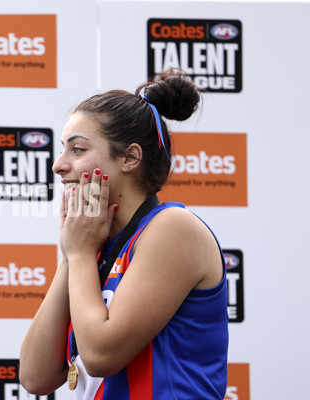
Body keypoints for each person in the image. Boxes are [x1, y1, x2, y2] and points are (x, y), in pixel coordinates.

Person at [19, 68, 228, 399]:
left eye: (77, 149)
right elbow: (35, 377)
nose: (58, 165)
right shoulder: (94, 249)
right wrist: (71, 256)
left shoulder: (173, 228)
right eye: (63, 149)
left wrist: (81, 254)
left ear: (130, 158)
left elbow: (101, 356)